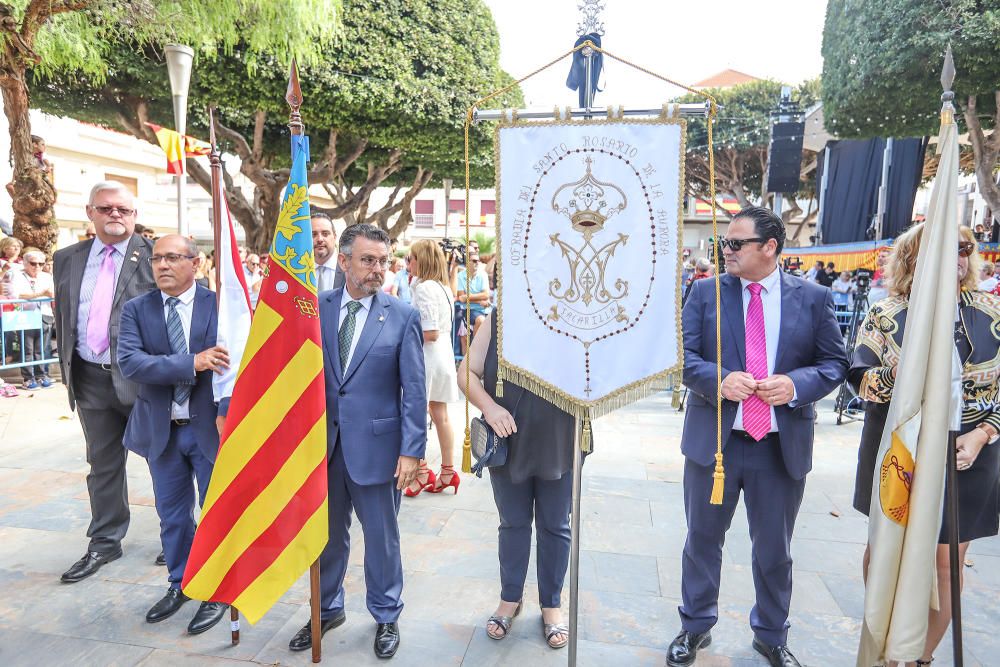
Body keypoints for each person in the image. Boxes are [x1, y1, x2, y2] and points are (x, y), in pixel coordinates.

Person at [668, 205, 848, 667]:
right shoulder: (705, 293)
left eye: (735, 243)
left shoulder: (813, 298)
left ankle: (771, 634)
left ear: (769, 247)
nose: (724, 251)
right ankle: (694, 627)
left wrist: (794, 386)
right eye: (723, 243)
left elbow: (834, 364)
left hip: (779, 447)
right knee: (702, 541)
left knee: (774, 550)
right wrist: (718, 379)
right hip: (716, 445)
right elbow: (679, 355)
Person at [849, 224, 1000, 667]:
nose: (956, 257)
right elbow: (861, 382)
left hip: (970, 451)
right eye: (943, 248)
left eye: (964, 249)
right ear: (916, 257)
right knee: (886, 549)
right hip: (898, 453)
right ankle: (886, 641)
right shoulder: (887, 312)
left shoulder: (992, 311)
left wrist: (982, 434)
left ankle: (919, 657)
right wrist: (914, 362)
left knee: (945, 562)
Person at [287, 223, 426, 658]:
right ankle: (326, 608)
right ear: (344, 261)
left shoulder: (402, 315)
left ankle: (386, 614)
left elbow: (415, 390)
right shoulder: (315, 308)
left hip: (379, 451)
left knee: (382, 537)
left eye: (384, 261)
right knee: (326, 536)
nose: (377, 269)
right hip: (322, 449)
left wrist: (411, 451)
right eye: (368, 260)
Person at [117, 234, 230, 635]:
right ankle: (180, 582)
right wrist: (191, 362)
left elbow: (236, 364)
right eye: (157, 259)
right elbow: (131, 363)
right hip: (161, 432)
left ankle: (217, 589)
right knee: (172, 517)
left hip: (210, 429)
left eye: (172, 258)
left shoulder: (221, 305)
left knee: (217, 514)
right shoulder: (136, 309)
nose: (162, 265)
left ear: (195, 263)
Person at [52, 180, 157, 583]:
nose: (115, 215)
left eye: (124, 210)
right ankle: (104, 542)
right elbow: (65, 312)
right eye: (106, 208)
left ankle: (179, 538)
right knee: (102, 465)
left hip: (142, 380)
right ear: (90, 212)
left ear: (134, 216)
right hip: (89, 378)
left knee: (163, 461)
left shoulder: (154, 255)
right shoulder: (67, 258)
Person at [457, 311, 577, 650]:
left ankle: (551, 604)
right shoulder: (497, 320)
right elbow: (466, 373)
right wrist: (490, 408)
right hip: (508, 439)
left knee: (556, 525)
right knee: (513, 523)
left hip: (559, 437)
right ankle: (510, 598)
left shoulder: (573, 318)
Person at [403, 240, 460, 497]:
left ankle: (423, 470)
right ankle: (447, 471)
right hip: (443, 355)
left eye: (411, 258)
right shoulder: (442, 287)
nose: (408, 263)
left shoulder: (425, 287)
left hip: (427, 356)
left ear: (421, 260)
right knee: (441, 414)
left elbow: (430, 332)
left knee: (418, 412)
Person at [11, 248, 54, 388]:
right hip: (26, 316)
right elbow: (18, 294)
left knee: (42, 349)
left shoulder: (47, 277)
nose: (38, 267)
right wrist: (41, 293)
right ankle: (28, 378)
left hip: (45, 314)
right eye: (33, 263)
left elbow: (53, 293)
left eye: (41, 264)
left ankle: (41, 376)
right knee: (27, 349)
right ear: (25, 263)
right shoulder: (17, 275)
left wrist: (43, 294)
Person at [451, 239, 491, 354]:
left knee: (483, 324)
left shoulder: (483, 274)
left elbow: (486, 294)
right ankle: (471, 358)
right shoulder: (460, 275)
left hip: (483, 310)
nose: (477, 263)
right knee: (467, 335)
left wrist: (468, 297)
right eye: (474, 261)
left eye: (478, 260)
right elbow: (461, 297)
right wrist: (479, 300)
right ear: (467, 262)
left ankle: (474, 356)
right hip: (467, 311)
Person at [312, 212, 346, 291]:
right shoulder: (297, 272)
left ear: (334, 237)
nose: (320, 239)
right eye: (313, 234)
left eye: (325, 234)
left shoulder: (349, 270)